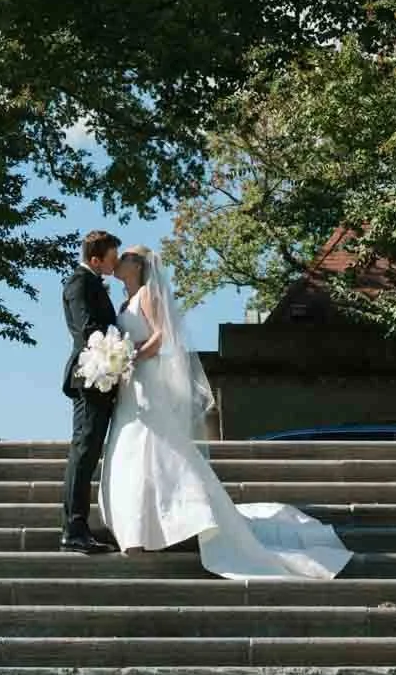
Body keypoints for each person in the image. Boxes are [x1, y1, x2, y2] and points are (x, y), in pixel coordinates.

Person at [100, 245, 350, 580]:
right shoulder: (124, 302)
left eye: (127, 257)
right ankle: (136, 530)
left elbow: (160, 337)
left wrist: (131, 357)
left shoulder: (147, 294)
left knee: (155, 447)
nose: (119, 262)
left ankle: (173, 522)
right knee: (131, 449)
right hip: (131, 387)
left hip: (146, 377)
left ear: (139, 266)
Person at [58, 229, 123, 552]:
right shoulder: (79, 283)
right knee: (84, 451)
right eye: (112, 258)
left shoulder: (94, 282)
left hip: (102, 377)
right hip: (90, 377)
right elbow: (88, 331)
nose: (116, 263)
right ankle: (73, 529)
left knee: (89, 451)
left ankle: (78, 525)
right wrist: (120, 349)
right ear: (95, 259)